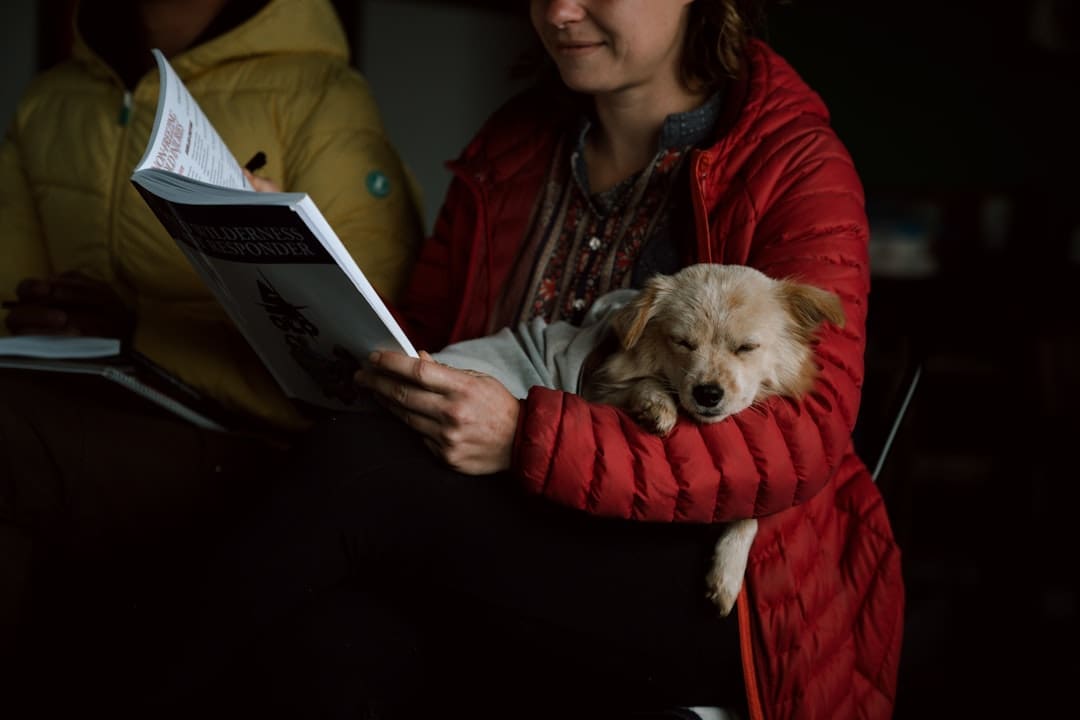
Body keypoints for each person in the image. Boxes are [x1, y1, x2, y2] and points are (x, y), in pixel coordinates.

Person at [160, 1, 904, 718]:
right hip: (508, 528)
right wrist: (284, 265)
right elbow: (425, 338)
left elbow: (802, 441)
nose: (558, 12)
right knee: (328, 639)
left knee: (359, 470)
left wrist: (526, 437)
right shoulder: (515, 144)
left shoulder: (794, 163)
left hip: (723, 579)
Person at [0, 0, 423, 712]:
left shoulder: (320, 93)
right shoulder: (54, 98)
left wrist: (144, 330)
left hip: (252, 438)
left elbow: (367, 357)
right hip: (92, 399)